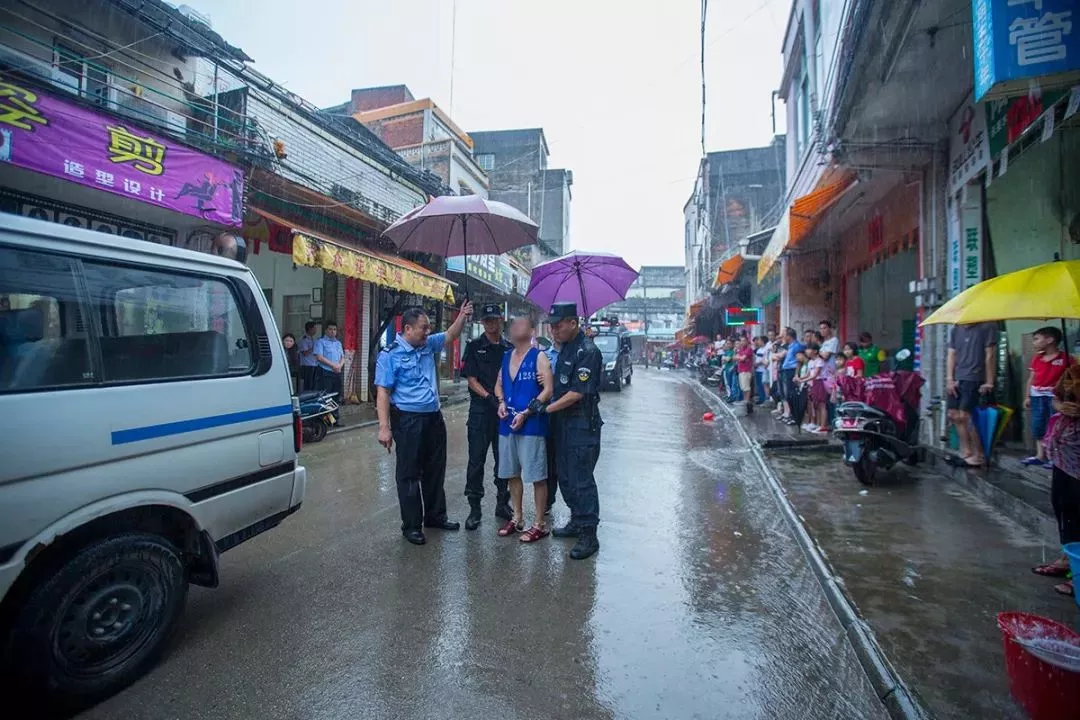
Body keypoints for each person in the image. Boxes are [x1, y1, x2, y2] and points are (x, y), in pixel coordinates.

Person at [375, 302, 474, 545]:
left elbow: (451, 334)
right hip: (408, 421)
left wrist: (462, 315)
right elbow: (383, 392)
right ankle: (411, 525)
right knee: (409, 474)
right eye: (423, 328)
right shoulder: (390, 355)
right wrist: (384, 427)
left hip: (433, 418)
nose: (428, 332)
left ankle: (435, 516)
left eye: (429, 328)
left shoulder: (427, 345)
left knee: (435, 470)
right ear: (407, 328)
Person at [541, 302, 603, 560]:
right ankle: (577, 520)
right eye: (551, 326)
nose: (554, 330)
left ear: (573, 323)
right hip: (562, 424)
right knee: (564, 476)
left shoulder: (587, 351)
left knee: (581, 478)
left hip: (581, 424)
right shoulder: (565, 348)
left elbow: (577, 393)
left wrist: (546, 408)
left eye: (558, 325)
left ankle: (589, 534)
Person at [494, 315, 554, 542]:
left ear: (532, 330)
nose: (516, 326)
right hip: (507, 423)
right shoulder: (506, 356)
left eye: (522, 323)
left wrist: (527, 412)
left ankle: (539, 523)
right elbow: (498, 384)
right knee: (511, 473)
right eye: (513, 324)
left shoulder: (539, 357)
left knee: (537, 475)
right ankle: (517, 517)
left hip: (531, 425)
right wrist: (500, 401)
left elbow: (548, 390)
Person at [461, 303, 513, 529]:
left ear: (501, 320)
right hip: (481, 412)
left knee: (504, 460)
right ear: (482, 322)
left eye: (495, 319)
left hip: (503, 412)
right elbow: (471, 379)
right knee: (476, 461)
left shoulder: (509, 348)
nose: (492, 324)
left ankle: (503, 502)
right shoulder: (474, 346)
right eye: (487, 320)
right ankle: (474, 508)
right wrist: (489, 396)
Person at [1032, 365, 1080, 597]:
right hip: (1064, 455)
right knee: (1062, 505)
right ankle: (1067, 557)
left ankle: (1078, 575)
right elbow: (1056, 399)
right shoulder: (1074, 371)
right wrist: (1063, 406)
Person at [946, 322, 997, 468]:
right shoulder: (956, 329)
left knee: (968, 416)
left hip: (975, 377)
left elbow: (990, 355)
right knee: (954, 415)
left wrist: (989, 381)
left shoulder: (987, 327)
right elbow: (951, 354)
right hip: (958, 378)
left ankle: (978, 454)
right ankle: (966, 450)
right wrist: (950, 378)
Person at [1024, 326, 1070, 468]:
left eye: (1037, 339)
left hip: (1055, 397)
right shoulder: (1037, 359)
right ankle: (1040, 455)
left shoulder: (1066, 359)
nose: (1034, 342)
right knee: (1038, 424)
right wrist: (1027, 396)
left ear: (1050, 340)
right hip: (1037, 396)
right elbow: (1031, 378)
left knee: (1055, 425)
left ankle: (1054, 457)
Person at [542, 337, 562, 514]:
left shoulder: (578, 353)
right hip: (547, 412)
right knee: (548, 459)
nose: (555, 330)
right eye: (553, 326)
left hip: (569, 414)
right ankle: (548, 500)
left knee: (568, 461)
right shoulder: (544, 357)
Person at [314, 321, 344, 424]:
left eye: (334, 329)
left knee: (336, 396)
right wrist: (333, 365)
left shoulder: (338, 343)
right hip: (325, 372)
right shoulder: (320, 342)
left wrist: (339, 365)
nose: (333, 331)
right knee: (326, 397)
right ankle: (325, 420)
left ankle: (335, 419)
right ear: (326, 330)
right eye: (330, 329)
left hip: (337, 373)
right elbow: (319, 357)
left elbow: (342, 357)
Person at [777, 328, 804, 423]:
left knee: (792, 394)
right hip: (786, 370)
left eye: (784, 334)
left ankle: (795, 417)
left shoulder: (797, 346)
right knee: (788, 394)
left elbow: (799, 361)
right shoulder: (790, 346)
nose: (783, 336)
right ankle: (791, 415)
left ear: (789, 336)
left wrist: (796, 374)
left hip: (792, 371)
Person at [298, 321, 319, 391]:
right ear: (310, 329)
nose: (316, 330)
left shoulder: (312, 338)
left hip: (314, 364)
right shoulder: (304, 339)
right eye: (314, 328)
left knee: (313, 384)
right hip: (307, 365)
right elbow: (305, 353)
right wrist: (314, 347)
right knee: (307, 385)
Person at [735, 336, 754, 409]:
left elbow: (742, 358)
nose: (742, 342)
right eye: (741, 341)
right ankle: (745, 401)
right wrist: (740, 357)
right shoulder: (740, 349)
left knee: (746, 388)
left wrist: (739, 357)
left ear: (747, 341)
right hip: (740, 370)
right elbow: (735, 357)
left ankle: (747, 401)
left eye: (743, 341)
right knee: (743, 387)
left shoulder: (749, 349)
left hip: (746, 371)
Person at [753, 335, 770, 405]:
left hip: (763, 370)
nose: (758, 342)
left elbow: (765, 360)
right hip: (757, 370)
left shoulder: (766, 349)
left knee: (763, 385)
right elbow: (757, 359)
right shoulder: (759, 350)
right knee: (759, 385)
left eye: (759, 340)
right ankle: (761, 398)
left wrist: (758, 363)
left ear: (763, 341)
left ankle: (764, 399)